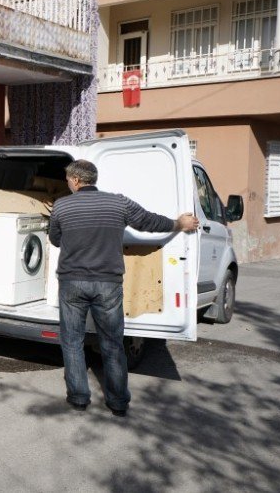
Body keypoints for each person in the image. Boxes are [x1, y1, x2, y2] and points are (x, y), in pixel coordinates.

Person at [49, 159, 198, 416]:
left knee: (72, 341)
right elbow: (149, 222)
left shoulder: (62, 206)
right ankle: (118, 402)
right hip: (108, 283)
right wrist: (178, 224)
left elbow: (55, 239)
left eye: (67, 180)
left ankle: (78, 397)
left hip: (72, 282)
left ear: (75, 180)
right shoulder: (119, 203)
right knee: (113, 343)